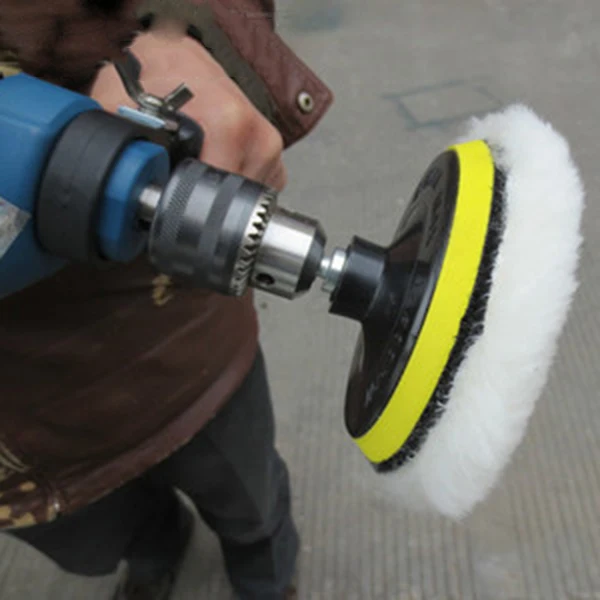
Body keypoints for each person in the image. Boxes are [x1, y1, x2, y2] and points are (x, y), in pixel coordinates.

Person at [0, 1, 333, 599]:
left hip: (170, 343)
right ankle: (156, 551)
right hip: (21, 452)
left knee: (247, 495)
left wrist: (175, 29)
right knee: (101, 533)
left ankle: (265, 574)